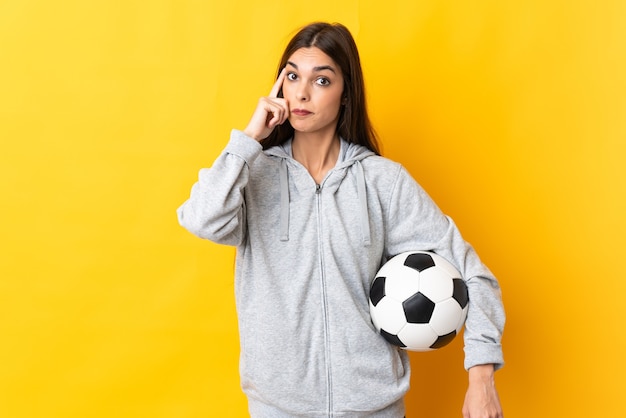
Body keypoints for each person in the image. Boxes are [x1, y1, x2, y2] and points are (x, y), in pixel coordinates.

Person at [177, 22, 505, 418]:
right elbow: (200, 219)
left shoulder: (383, 182)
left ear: (346, 93)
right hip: (277, 408)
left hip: (373, 406)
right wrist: (248, 139)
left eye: (322, 80)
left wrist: (481, 375)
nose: (301, 92)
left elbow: (473, 273)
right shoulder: (253, 173)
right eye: (293, 76)